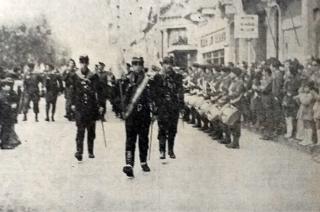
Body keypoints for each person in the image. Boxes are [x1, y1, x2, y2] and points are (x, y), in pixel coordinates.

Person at [122, 57, 154, 177]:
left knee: (143, 139)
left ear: (142, 65)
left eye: (139, 64)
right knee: (130, 140)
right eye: (134, 64)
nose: (137, 66)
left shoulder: (148, 79)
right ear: (132, 66)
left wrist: (154, 111)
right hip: (131, 114)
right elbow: (119, 96)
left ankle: (143, 161)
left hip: (144, 113)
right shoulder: (126, 79)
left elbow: (153, 96)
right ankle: (129, 164)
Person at [70, 55, 104, 161]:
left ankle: (90, 151)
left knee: (91, 130)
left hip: (91, 106)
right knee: (80, 129)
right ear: (80, 64)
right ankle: (79, 151)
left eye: (85, 62)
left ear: (88, 64)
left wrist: (101, 105)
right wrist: (72, 103)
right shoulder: (75, 76)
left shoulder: (94, 76)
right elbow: (72, 90)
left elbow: (100, 91)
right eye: (82, 62)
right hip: (80, 106)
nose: (84, 64)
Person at [153, 56, 184, 159]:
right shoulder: (158, 77)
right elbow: (155, 93)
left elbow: (180, 92)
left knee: (172, 129)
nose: (168, 66)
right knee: (162, 129)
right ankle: (162, 150)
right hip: (162, 107)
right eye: (166, 64)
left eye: (170, 63)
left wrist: (182, 106)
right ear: (163, 65)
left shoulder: (178, 77)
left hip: (173, 107)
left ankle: (171, 150)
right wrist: (156, 106)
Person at [0, 77, 21, 149]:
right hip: (4, 115)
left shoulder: (7, 93)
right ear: (3, 86)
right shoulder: (2, 95)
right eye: (7, 85)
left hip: (5, 115)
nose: (9, 86)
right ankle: (4, 144)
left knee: (6, 128)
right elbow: (4, 105)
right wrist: (11, 106)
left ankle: (5, 142)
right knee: (6, 128)